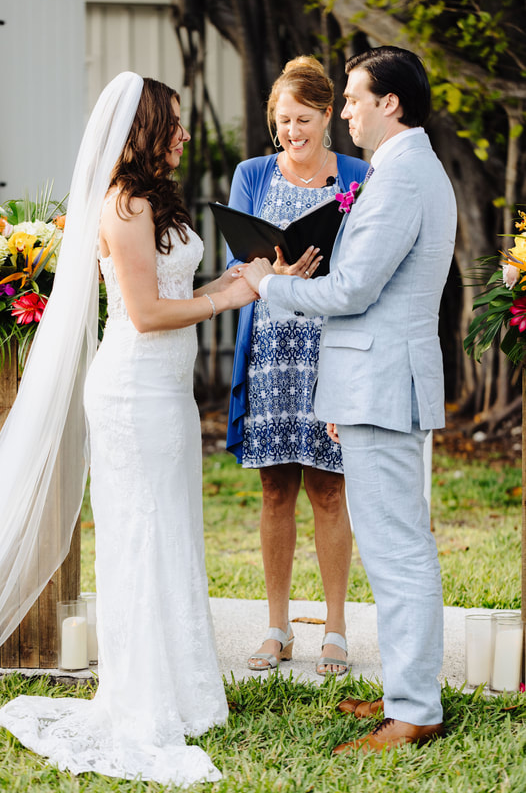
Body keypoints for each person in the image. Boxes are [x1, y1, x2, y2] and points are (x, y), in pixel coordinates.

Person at [0, 72, 256, 785]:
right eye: (173, 124)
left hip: (164, 392)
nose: (185, 134)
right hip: (133, 390)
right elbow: (145, 315)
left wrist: (241, 282)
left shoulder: (155, 200)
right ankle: (143, 699)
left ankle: (184, 688)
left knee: (171, 529)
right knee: (140, 536)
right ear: (141, 130)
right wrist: (227, 297)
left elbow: (177, 293)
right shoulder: (124, 202)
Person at [240, 46, 457, 752]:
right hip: (373, 381)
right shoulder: (401, 170)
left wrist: (270, 284)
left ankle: (416, 711)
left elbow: (352, 291)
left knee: (398, 552)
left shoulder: (399, 178)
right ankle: (404, 691)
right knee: (396, 547)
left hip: (384, 383)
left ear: (389, 103)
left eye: (357, 99)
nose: (349, 111)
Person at [225, 56, 368, 675]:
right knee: (276, 487)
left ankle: (335, 628)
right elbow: (239, 269)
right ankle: (277, 627)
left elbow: (370, 266)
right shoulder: (252, 174)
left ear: (328, 115)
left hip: (330, 351)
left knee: (330, 490)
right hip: (271, 356)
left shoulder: (359, 175)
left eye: (303, 120)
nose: (292, 132)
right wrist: (270, 277)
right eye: (283, 121)